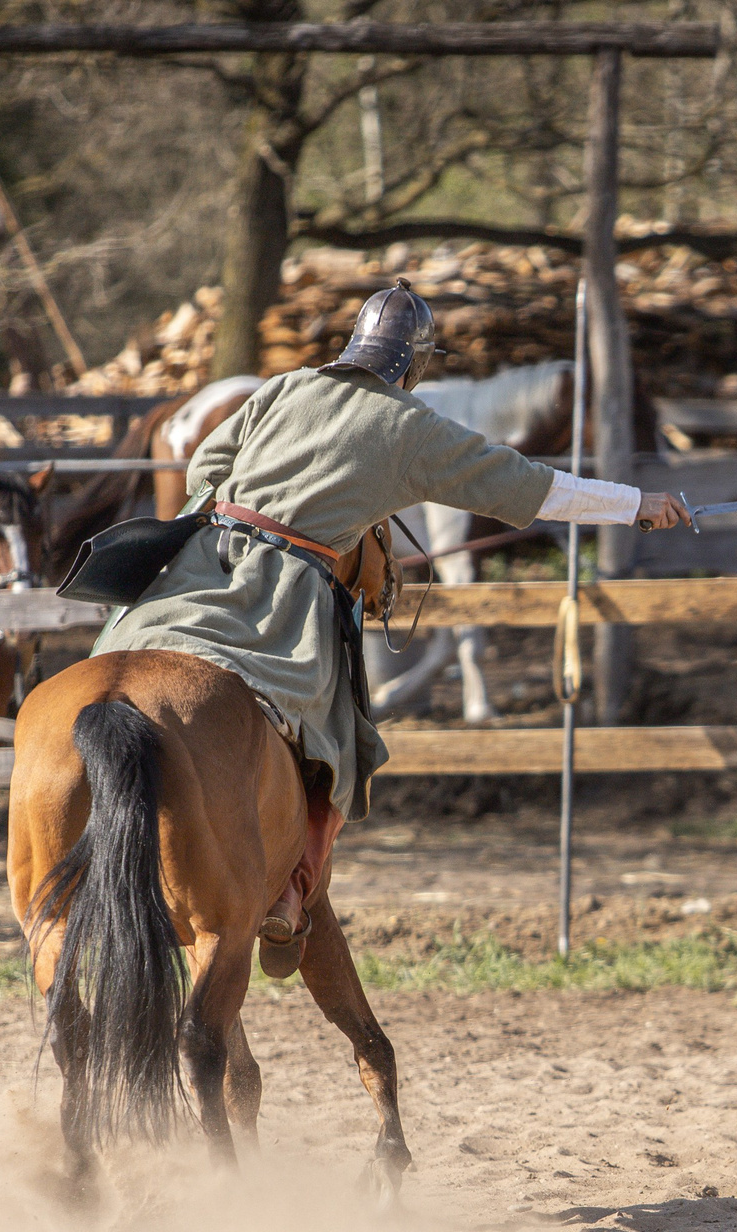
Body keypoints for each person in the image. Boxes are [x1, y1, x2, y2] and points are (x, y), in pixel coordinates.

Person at [90, 280, 692, 973]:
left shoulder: (286, 387)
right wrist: (636, 503)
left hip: (197, 570)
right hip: (279, 597)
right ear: (416, 364)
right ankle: (290, 890)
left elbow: (204, 466)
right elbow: (531, 487)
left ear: (353, 348)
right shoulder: (410, 424)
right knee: (338, 740)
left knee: (115, 661)